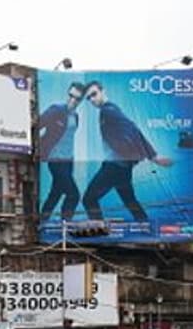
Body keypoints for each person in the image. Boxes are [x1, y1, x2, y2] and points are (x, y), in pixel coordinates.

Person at [79, 80, 173, 223]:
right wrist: (152, 155)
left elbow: (132, 129)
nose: (92, 99)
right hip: (122, 167)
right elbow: (133, 128)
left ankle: (98, 230)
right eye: (89, 98)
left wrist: (151, 156)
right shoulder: (112, 109)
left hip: (114, 166)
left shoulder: (107, 111)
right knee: (130, 200)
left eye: (94, 94)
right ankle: (145, 225)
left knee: (88, 199)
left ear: (102, 91)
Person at [38, 82, 85, 220]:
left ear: (81, 101)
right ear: (67, 94)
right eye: (71, 96)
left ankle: (42, 221)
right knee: (74, 195)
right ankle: (65, 225)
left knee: (55, 193)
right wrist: (39, 149)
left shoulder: (76, 116)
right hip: (55, 160)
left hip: (68, 161)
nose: (72, 100)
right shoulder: (56, 110)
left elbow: (69, 139)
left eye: (77, 99)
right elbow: (36, 125)